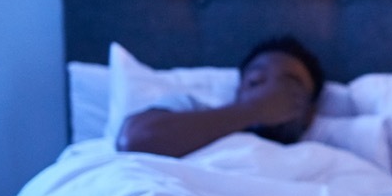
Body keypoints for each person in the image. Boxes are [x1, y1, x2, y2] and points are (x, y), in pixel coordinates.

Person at [116, 35, 325, 158]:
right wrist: (254, 110)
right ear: (239, 90)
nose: (270, 92)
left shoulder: (323, 161)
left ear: (310, 113)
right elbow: (134, 141)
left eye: (288, 85)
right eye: (257, 79)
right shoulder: (190, 108)